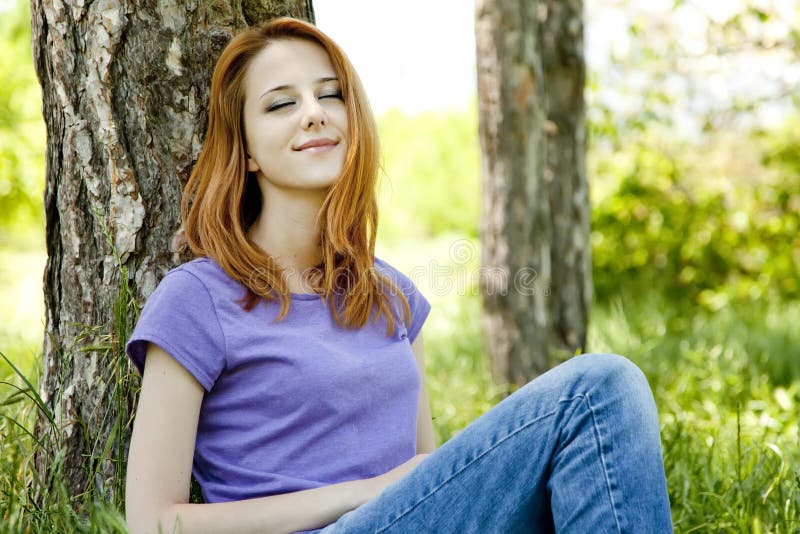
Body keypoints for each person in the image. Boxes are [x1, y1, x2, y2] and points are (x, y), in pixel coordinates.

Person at [124, 16, 673, 534]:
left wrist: (394, 492)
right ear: (245, 153)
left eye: (330, 94)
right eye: (281, 104)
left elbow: (426, 479)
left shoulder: (390, 296)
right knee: (598, 389)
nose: (313, 113)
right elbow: (153, 522)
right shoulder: (196, 299)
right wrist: (362, 493)